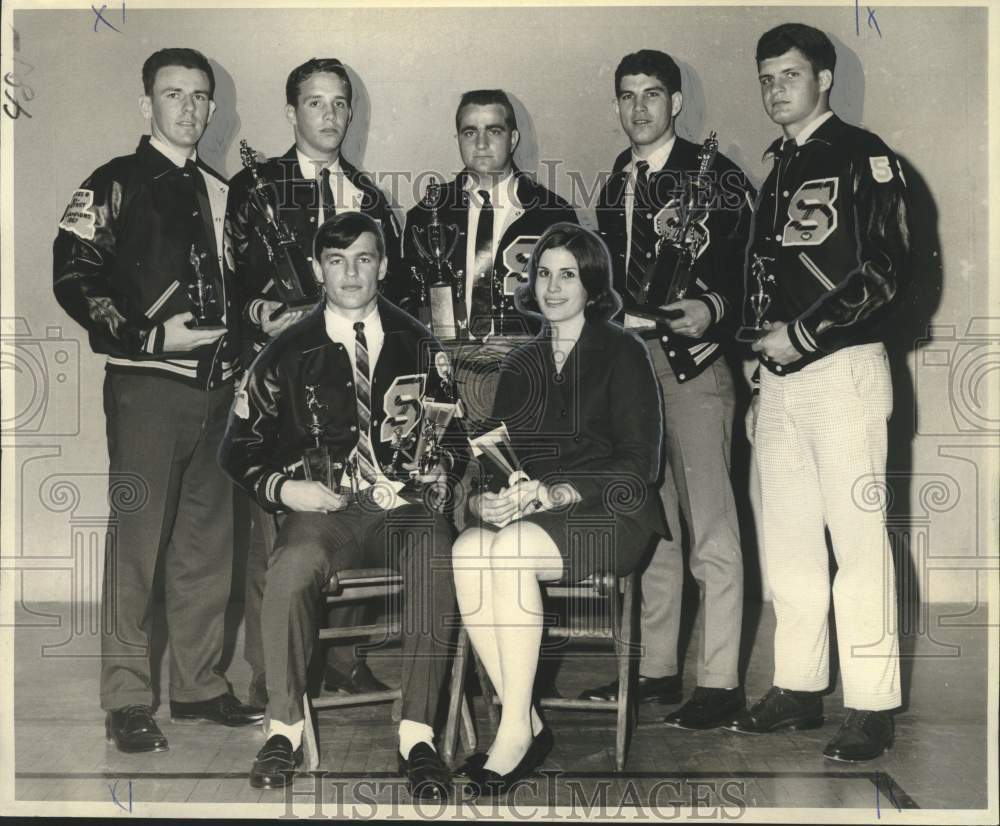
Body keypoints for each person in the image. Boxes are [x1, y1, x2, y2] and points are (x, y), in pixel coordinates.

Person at [52, 48, 263, 754]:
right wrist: (144, 334)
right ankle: (126, 697)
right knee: (137, 546)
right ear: (148, 105)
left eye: (201, 96)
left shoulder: (224, 188)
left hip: (217, 393)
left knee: (206, 546)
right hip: (148, 389)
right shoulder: (114, 182)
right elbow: (73, 275)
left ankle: (200, 684)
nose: (190, 108)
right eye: (174, 95)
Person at [219, 212, 463, 797]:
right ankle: (284, 729)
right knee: (290, 567)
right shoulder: (286, 350)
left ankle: (418, 734)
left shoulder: (418, 341)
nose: (350, 273)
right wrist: (286, 489)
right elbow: (237, 446)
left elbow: (454, 436)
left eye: (363, 258)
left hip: (402, 507)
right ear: (316, 269)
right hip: (323, 507)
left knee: (437, 554)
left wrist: (442, 471)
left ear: (382, 263)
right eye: (335, 260)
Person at [727, 23, 909, 762]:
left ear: (824, 79)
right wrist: (758, 361)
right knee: (789, 540)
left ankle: (871, 703)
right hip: (780, 382)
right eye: (767, 77)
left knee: (858, 542)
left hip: (844, 372)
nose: (776, 89)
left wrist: (803, 337)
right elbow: (772, 278)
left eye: (790, 75)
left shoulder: (863, 156)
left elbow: (890, 273)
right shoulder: (779, 170)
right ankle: (799, 687)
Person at [452, 223, 667, 796]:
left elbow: (639, 463)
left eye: (567, 274)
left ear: (592, 284)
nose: (551, 286)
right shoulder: (520, 362)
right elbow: (495, 457)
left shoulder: (624, 350)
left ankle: (512, 733)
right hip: (536, 514)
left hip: (611, 511)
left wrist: (559, 492)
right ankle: (527, 721)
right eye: (542, 273)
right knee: (470, 549)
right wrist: (486, 497)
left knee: (513, 550)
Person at [582, 49, 754, 730]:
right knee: (654, 527)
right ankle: (656, 669)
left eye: (653, 95)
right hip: (634, 370)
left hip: (696, 366)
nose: (639, 109)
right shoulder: (616, 181)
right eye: (627, 96)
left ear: (676, 102)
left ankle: (721, 679)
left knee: (712, 527)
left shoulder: (718, 177)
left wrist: (714, 307)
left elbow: (752, 268)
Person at [227, 57, 402, 709]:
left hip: (351, 384)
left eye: (339, 104)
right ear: (292, 111)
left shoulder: (371, 198)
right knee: (279, 524)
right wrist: (263, 314)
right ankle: (271, 674)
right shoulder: (256, 187)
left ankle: (347, 660)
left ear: (350, 113)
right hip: (283, 380)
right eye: (315, 103)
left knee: (360, 507)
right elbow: (232, 284)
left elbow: (398, 291)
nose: (328, 116)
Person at [403, 89, 578, 339]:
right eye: (470, 132)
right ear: (458, 140)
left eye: (494, 131)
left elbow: (575, 305)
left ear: (513, 138)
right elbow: (407, 300)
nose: (481, 143)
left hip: (529, 363)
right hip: (450, 362)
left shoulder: (552, 215)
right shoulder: (425, 216)